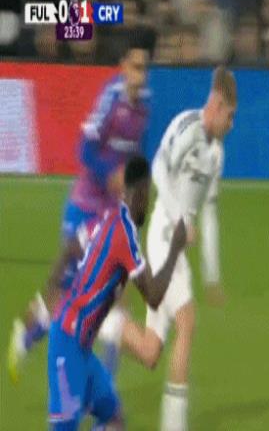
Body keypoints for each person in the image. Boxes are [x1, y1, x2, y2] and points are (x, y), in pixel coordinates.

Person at [7, 34, 151, 383]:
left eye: (144, 68)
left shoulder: (145, 106)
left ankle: (104, 384)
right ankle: (25, 334)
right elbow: (84, 151)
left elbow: (135, 156)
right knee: (65, 294)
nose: (140, 75)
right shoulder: (111, 99)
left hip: (112, 213)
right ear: (123, 67)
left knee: (117, 294)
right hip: (86, 206)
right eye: (135, 67)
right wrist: (110, 175)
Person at [103, 66, 237, 431]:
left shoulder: (216, 154)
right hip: (164, 234)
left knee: (150, 351)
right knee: (187, 321)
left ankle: (107, 323)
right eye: (230, 115)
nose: (232, 124)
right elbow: (160, 170)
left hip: (178, 246)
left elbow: (209, 213)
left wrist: (212, 275)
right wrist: (179, 218)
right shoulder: (186, 126)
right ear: (217, 104)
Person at [47, 156, 187, 430]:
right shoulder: (125, 233)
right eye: (148, 194)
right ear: (141, 191)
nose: (148, 202)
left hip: (81, 346)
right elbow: (154, 297)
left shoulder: (109, 217)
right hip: (67, 343)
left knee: (114, 418)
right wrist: (174, 249)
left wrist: (54, 287)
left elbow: (73, 244)